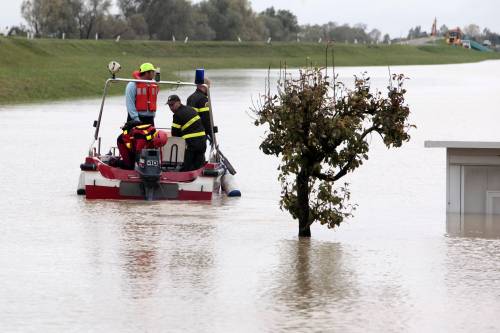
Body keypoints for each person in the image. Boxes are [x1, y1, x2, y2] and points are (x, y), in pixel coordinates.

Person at [167, 95, 207, 171]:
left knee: (187, 167)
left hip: (192, 144)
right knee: (199, 165)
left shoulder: (177, 115)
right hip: (202, 141)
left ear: (178, 102)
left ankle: (183, 178)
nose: (171, 108)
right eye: (169, 105)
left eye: (172, 104)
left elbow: (175, 133)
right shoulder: (191, 109)